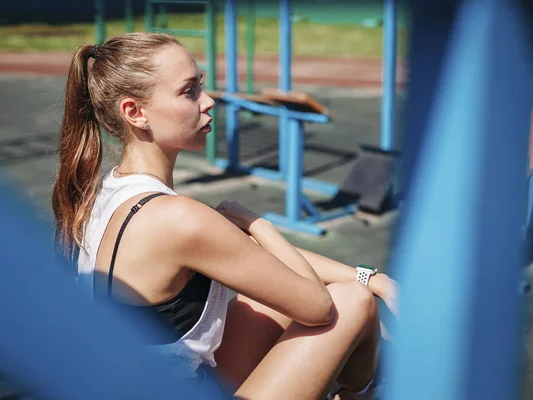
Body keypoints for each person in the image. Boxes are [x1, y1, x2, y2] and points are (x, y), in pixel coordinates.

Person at [52, 32, 398, 400]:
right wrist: (258, 224)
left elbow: (251, 260)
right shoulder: (179, 219)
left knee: (281, 295)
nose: (209, 100)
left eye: (201, 85)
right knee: (352, 303)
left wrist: (371, 278)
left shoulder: (105, 192)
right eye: (189, 92)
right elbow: (318, 306)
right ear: (135, 112)